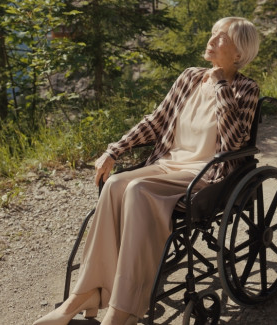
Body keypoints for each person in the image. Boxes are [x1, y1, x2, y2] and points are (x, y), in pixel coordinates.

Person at [33, 17, 260, 325]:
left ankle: (124, 309)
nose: (212, 38)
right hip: (166, 164)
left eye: (222, 37)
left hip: (205, 173)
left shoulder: (246, 89)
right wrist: (114, 150)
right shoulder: (189, 78)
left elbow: (235, 142)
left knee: (138, 191)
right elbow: (156, 121)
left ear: (239, 53)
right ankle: (86, 293)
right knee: (115, 185)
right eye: (214, 32)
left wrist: (221, 85)